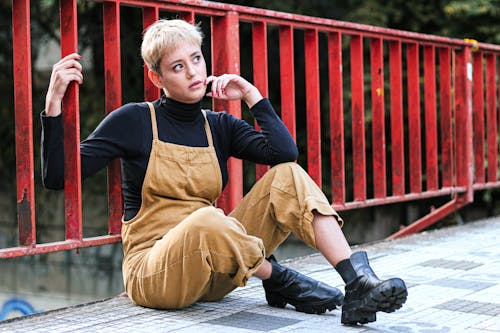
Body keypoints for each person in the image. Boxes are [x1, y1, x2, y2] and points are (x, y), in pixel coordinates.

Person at [41, 19, 407, 325]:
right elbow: (57, 177)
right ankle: (279, 279)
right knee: (207, 219)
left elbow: (283, 153)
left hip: (217, 269)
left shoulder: (217, 124)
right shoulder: (134, 120)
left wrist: (251, 95)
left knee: (289, 176)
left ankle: (358, 284)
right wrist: (53, 103)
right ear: (157, 78)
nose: (193, 72)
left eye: (196, 59)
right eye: (178, 66)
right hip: (155, 273)